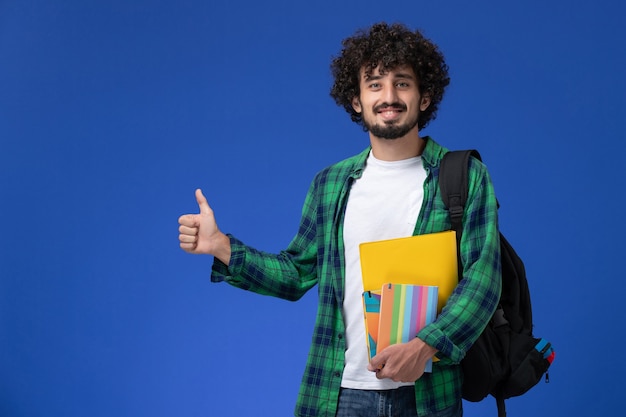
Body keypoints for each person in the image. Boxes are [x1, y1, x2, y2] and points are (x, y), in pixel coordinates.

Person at [178, 22, 501, 417]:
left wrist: (425, 346)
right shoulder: (330, 184)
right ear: (356, 100)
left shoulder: (463, 176)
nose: (389, 96)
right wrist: (222, 247)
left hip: (428, 395)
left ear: (425, 96)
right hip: (339, 392)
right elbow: (296, 274)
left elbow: (483, 280)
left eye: (403, 83)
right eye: (375, 84)